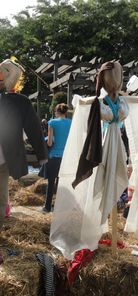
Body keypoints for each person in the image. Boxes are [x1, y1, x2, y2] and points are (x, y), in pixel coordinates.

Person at [0, 59, 48, 230]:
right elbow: (33, 128)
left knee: (2, 193)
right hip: (6, 156)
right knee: (2, 193)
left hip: (5, 157)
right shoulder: (20, 101)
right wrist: (41, 154)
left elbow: (33, 127)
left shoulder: (20, 101)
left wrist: (41, 153)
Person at [42, 103, 71, 212]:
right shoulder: (71, 123)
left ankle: (47, 207)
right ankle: (59, 207)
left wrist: (45, 139)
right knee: (61, 183)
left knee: (51, 182)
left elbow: (49, 143)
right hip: (66, 157)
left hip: (54, 156)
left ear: (57, 112)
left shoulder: (52, 122)